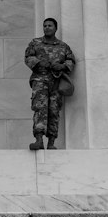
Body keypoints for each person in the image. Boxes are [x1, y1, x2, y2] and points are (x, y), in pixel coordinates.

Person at [25, 17, 75, 150]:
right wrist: (39, 62)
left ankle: (51, 142)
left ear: (55, 28)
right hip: (40, 80)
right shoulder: (35, 43)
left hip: (56, 82)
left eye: (50, 26)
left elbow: (71, 61)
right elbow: (28, 57)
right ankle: (39, 139)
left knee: (53, 110)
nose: (47, 28)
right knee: (39, 108)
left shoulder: (63, 46)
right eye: (45, 26)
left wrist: (62, 66)